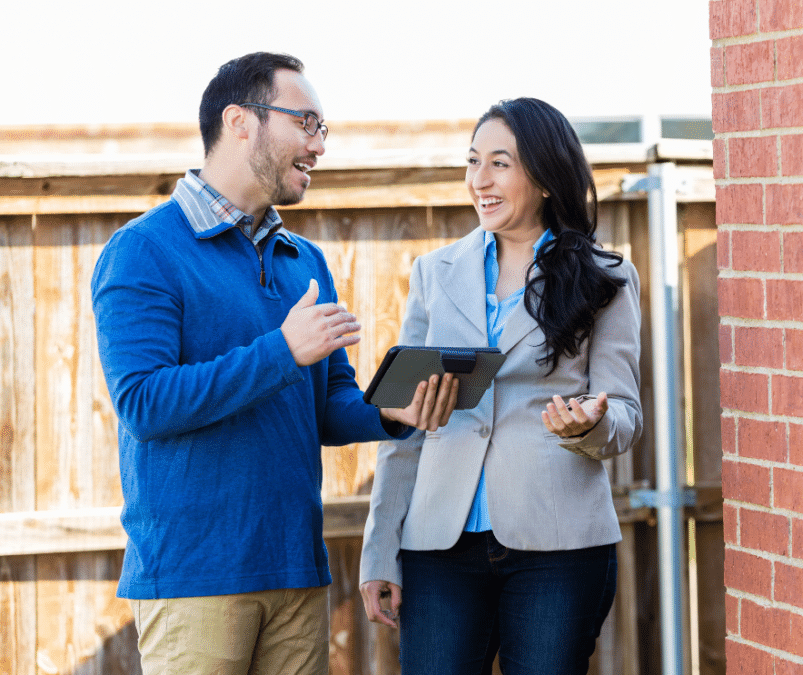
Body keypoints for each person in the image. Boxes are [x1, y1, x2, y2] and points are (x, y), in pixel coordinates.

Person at [91, 52, 457, 675]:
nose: (319, 146)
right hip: (194, 578)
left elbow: (326, 406)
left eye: (322, 130)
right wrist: (281, 350)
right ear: (240, 121)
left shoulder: (303, 260)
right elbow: (144, 405)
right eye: (307, 124)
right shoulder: (143, 251)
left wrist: (389, 411)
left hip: (296, 569)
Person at [359, 97, 643, 675]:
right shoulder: (433, 274)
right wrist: (379, 549)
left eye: (499, 163)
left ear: (542, 177)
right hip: (439, 544)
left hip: (558, 546)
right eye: (472, 162)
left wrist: (590, 425)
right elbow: (403, 430)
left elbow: (626, 415)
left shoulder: (605, 277)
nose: (479, 180)